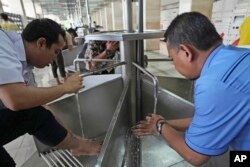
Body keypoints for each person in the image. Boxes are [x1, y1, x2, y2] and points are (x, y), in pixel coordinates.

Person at [133, 12, 250, 166]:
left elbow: (195, 156)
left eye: (172, 59)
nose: (174, 65)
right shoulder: (239, 55)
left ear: (186, 52)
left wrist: (161, 127)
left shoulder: (213, 84)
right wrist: (165, 123)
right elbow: (210, 119)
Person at [0, 18, 100, 166]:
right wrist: (65, 88)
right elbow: (15, 100)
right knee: (31, 113)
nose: (55, 58)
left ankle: (80, 147)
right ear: (41, 43)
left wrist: (74, 138)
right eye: (55, 52)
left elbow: (44, 109)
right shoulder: (3, 44)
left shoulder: (25, 66)